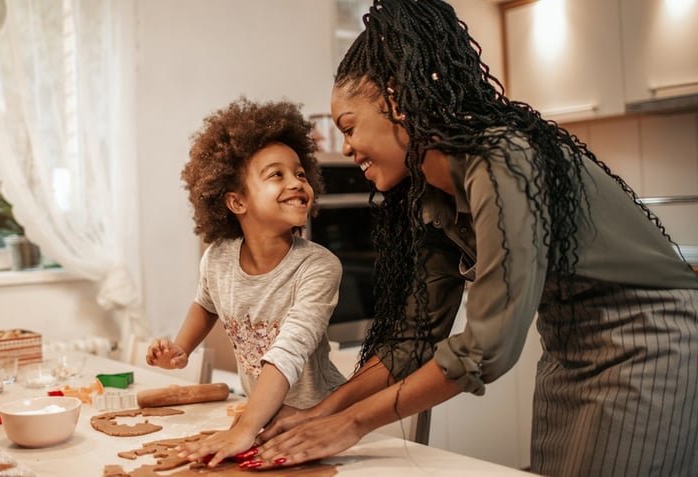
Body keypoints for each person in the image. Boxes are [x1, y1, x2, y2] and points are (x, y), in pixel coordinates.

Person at [235, 1, 698, 476]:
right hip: (568, 348)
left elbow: (487, 348)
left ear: (396, 101)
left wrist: (351, 423)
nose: (347, 147)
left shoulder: (503, 157)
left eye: (349, 127)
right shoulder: (432, 194)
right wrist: (320, 413)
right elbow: (415, 337)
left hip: (648, 340)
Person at [146, 97, 347, 467]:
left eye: (300, 173)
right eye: (277, 174)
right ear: (237, 202)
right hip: (264, 417)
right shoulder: (218, 258)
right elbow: (205, 303)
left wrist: (247, 426)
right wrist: (181, 348)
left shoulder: (318, 266)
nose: (296, 183)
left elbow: (289, 351)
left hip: (317, 419)